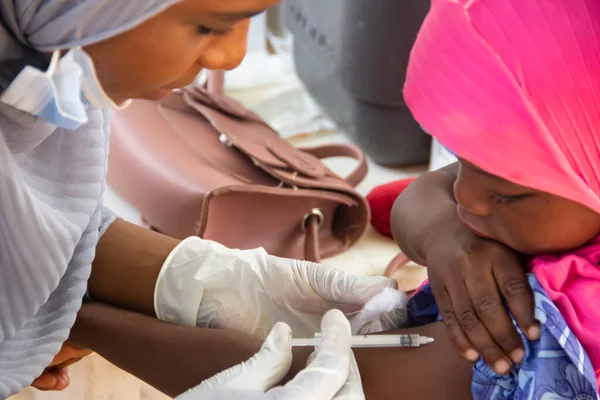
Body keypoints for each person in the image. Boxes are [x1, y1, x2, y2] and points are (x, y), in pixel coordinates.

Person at [58, 0, 600, 398]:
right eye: (462, 164)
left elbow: (317, 376)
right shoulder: (540, 191)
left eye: (506, 194)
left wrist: (71, 323)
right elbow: (419, 197)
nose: (467, 198)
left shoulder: (548, 320)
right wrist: (444, 234)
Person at [0, 1, 408, 398]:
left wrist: (212, 279)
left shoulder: (54, 70)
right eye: (211, 26)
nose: (231, 58)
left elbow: (24, 229)